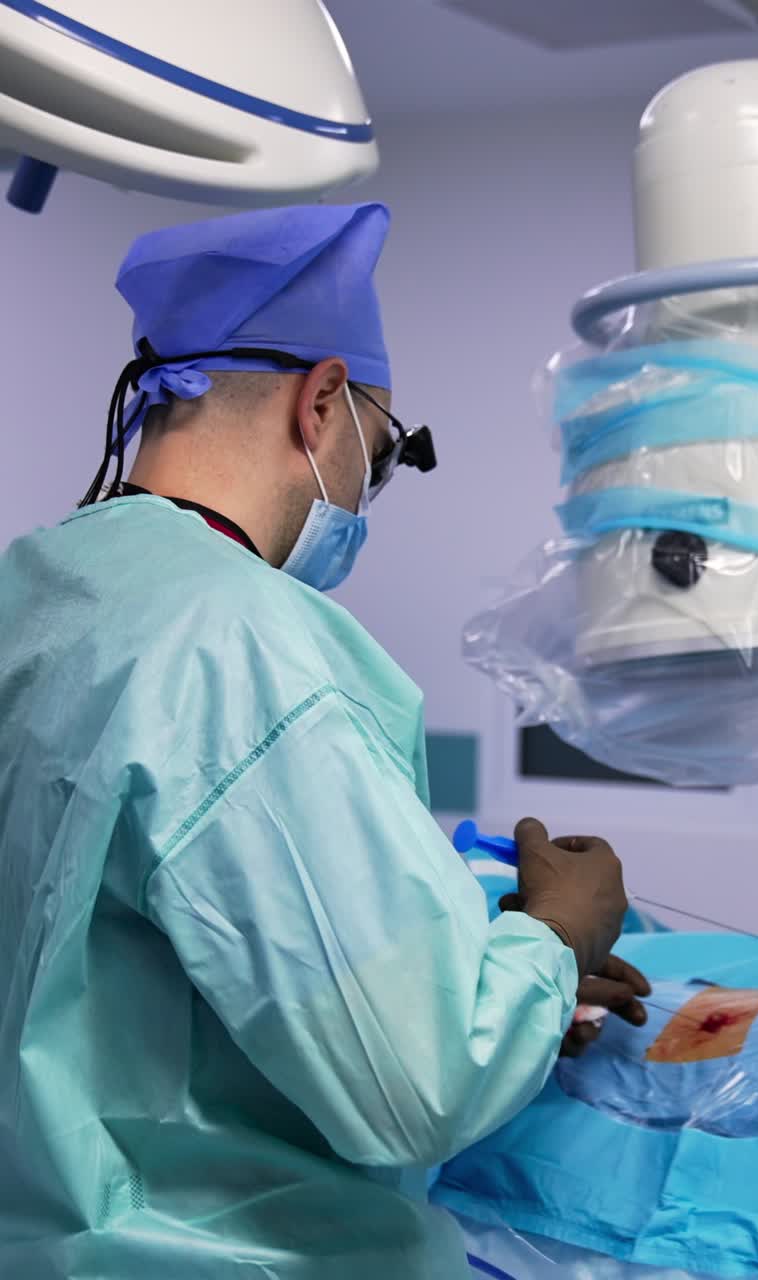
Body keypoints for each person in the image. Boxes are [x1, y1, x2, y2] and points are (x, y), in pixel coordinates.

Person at [0, 201, 649, 1279]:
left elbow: (123, 956)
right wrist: (552, 936)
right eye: (380, 454)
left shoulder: (35, 590)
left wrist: (474, 961)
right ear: (322, 402)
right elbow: (419, 1081)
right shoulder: (245, 645)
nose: (365, 488)